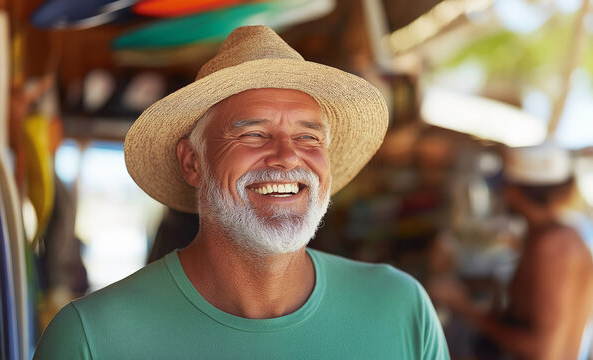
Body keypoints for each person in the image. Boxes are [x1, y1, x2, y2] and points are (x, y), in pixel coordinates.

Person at [34, 25, 449, 359]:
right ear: (192, 162)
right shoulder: (92, 338)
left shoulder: (400, 310)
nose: (287, 157)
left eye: (308, 138)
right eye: (253, 134)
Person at [430, 143, 593, 360]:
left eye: (502, 186)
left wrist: (464, 308)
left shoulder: (552, 245)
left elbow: (543, 350)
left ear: (515, 191)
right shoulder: (554, 237)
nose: (501, 194)